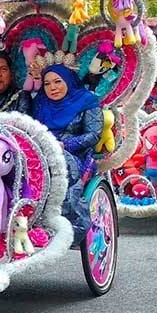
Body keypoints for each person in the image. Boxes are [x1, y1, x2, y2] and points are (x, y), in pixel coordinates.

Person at [32, 59, 103, 238]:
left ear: (68, 81)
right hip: (42, 153)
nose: (52, 88)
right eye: (47, 83)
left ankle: (74, 226)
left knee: (61, 161)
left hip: (76, 156)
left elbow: (93, 135)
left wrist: (65, 145)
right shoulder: (40, 102)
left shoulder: (87, 100)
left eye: (58, 82)